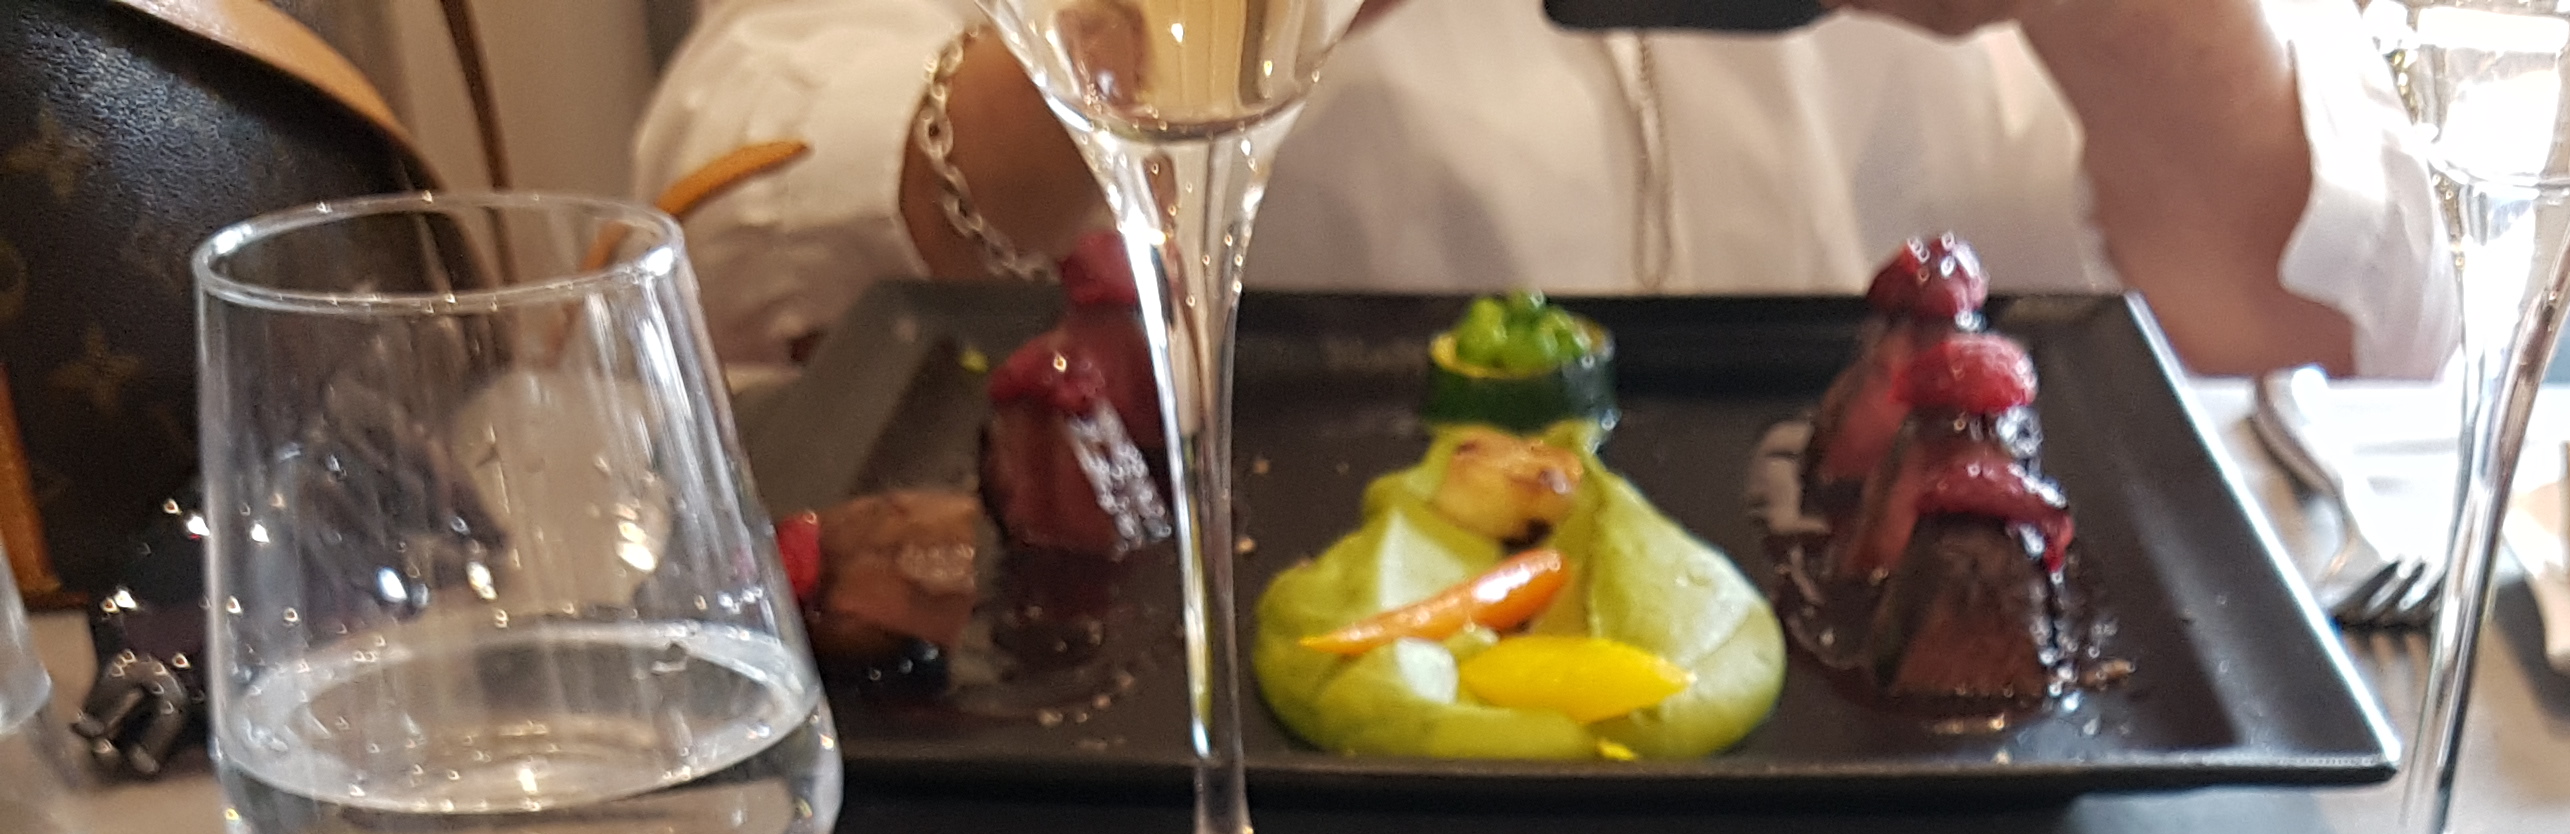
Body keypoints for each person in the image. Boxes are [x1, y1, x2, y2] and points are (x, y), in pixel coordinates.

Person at [637, 0, 2451, 382]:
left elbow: (2360, 316)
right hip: (1211, 784)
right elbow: (730, 252)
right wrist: (1174, 27)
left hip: (2025, 825)